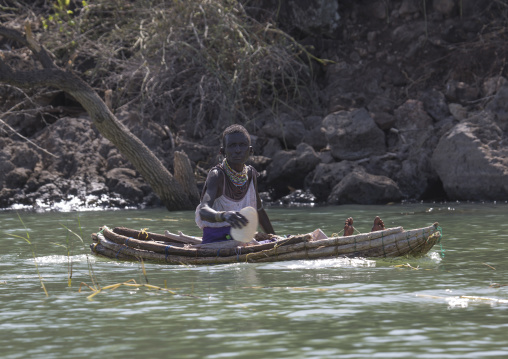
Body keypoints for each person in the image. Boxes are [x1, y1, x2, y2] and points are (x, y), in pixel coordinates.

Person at [195, 124, 275, 244]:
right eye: (232, 146)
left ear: (250, 150)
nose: (238, 150)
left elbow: (259, 209)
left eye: (242, 145)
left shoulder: (251, 174)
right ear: (223, 152)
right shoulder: (217, 175)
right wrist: (224, 215)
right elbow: (204, 210)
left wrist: (274, 238)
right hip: (218, 239)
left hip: (242, 238)